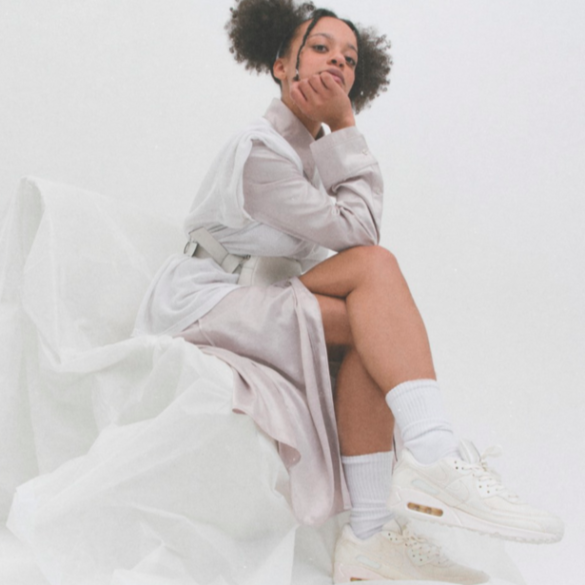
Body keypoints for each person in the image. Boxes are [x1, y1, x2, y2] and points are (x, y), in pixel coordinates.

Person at [133, 0, 563, 582]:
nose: (337, 61)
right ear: (281, 64)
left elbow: (350, 240)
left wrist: (336, 135)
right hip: (208, 301)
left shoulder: (313, 158)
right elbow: (359, 233)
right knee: (373, 269)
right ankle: (434, 456)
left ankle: (370, 535)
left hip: (264, 290)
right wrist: (346, 128)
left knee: (370, 322)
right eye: (320, 48)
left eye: (350, 59)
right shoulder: (258, 151)